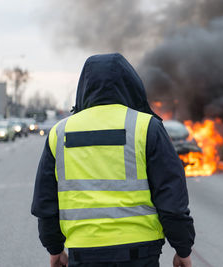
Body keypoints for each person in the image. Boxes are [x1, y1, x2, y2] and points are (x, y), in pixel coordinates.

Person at [31, 53, 195, 267]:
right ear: (130, 84)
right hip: (140, 253)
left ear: (84, 86)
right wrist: (182, 249)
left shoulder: (60, 132)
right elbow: (171, 198)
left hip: (84, 252)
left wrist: (54, 249)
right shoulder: (146, 127)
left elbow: (45, 203)